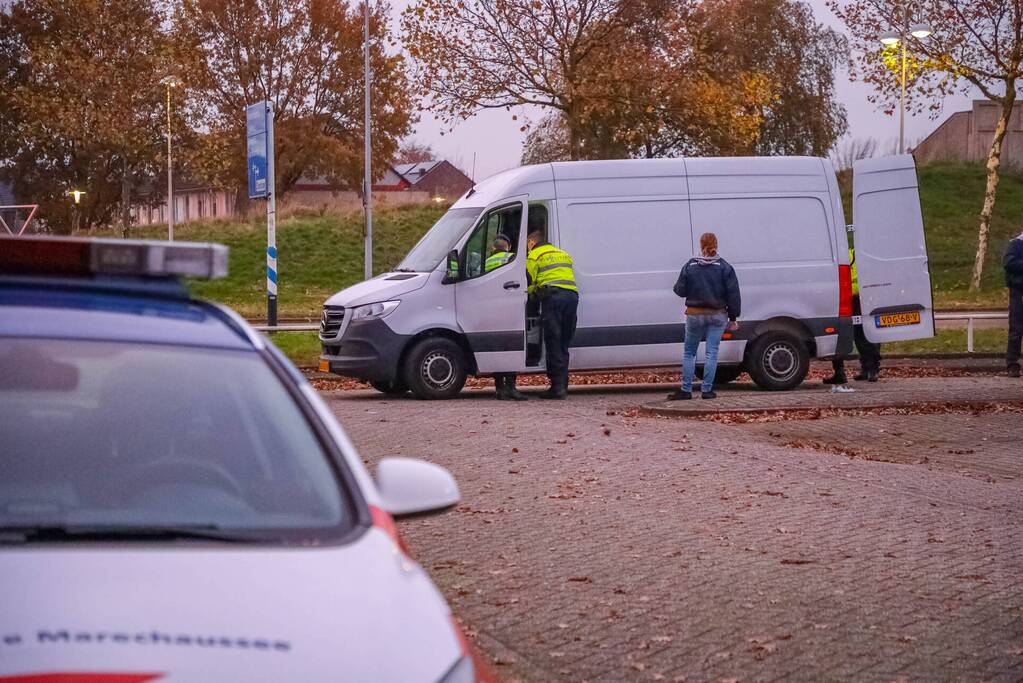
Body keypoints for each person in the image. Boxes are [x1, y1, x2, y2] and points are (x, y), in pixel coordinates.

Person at [668, 232, 740, 400]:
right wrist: (733, 318)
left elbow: (679, 290)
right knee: (711, 352)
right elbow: (733, 294)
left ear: (701, 245)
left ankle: (686, 390)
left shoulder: (690, 265)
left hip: (694, 315)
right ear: (716, 244)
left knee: (689, 353)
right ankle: (707, 391)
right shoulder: (725, 267)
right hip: (717, 315)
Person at [526, 229, 579, 400]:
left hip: (553, 298)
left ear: (531, 242)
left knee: (553, 341)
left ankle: (557, 388)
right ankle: (563, 385)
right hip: (572, 297)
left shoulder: (535, 256)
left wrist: (533, 295)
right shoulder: (563, 254)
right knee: (564, 342)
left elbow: (527, 282)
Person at [823, 248, 882, 384]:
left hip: (856, 299)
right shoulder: (853, 253)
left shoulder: (845, 253)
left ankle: (869, 370)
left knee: (863, 335)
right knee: (856, 335)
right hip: (849, 298)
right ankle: (865, 370)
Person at [1005, 229, 1023, 377]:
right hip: (1019, 292)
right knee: (1016, 329)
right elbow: (1009, 263)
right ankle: (1012, 364)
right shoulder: (1016, 245)